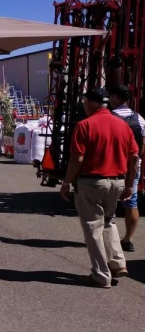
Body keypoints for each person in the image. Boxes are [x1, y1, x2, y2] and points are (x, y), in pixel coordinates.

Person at [60, 87, 138, 288]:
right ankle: (117, 262)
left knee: (93, 226)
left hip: (91, 181)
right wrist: (129, 185)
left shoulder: (85, 125)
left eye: (85, 101)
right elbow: (134, 158)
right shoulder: (123, 125)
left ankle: (101, 274)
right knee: (109, 221)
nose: (84, 105)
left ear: (91, 103)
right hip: (117, 181)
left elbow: (77, 158)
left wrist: (66, 182)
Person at [107, 84, 145, 252]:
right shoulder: (140, 118)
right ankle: (128, 239)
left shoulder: (110, 117)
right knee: (132, 203)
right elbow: (142, 145)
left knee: (107, 202)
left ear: (115, 97)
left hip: (112, 166)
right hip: (133, 166)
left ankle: (107, 238)